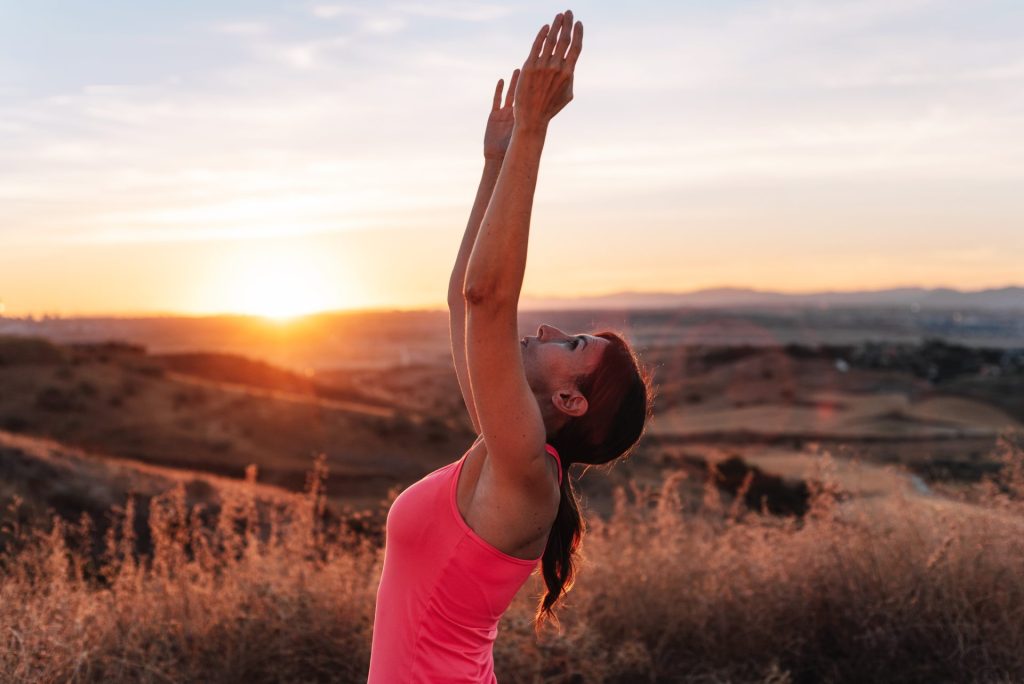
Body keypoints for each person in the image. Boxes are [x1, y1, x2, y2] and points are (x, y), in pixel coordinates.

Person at [367, 10, 654, 682]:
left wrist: (533, 133)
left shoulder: (526, 477)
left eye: (576, 343)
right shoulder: (504, 448)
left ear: (569, 399)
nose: (552, 330)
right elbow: (462, 304)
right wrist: (494, 164)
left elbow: (487, 300)